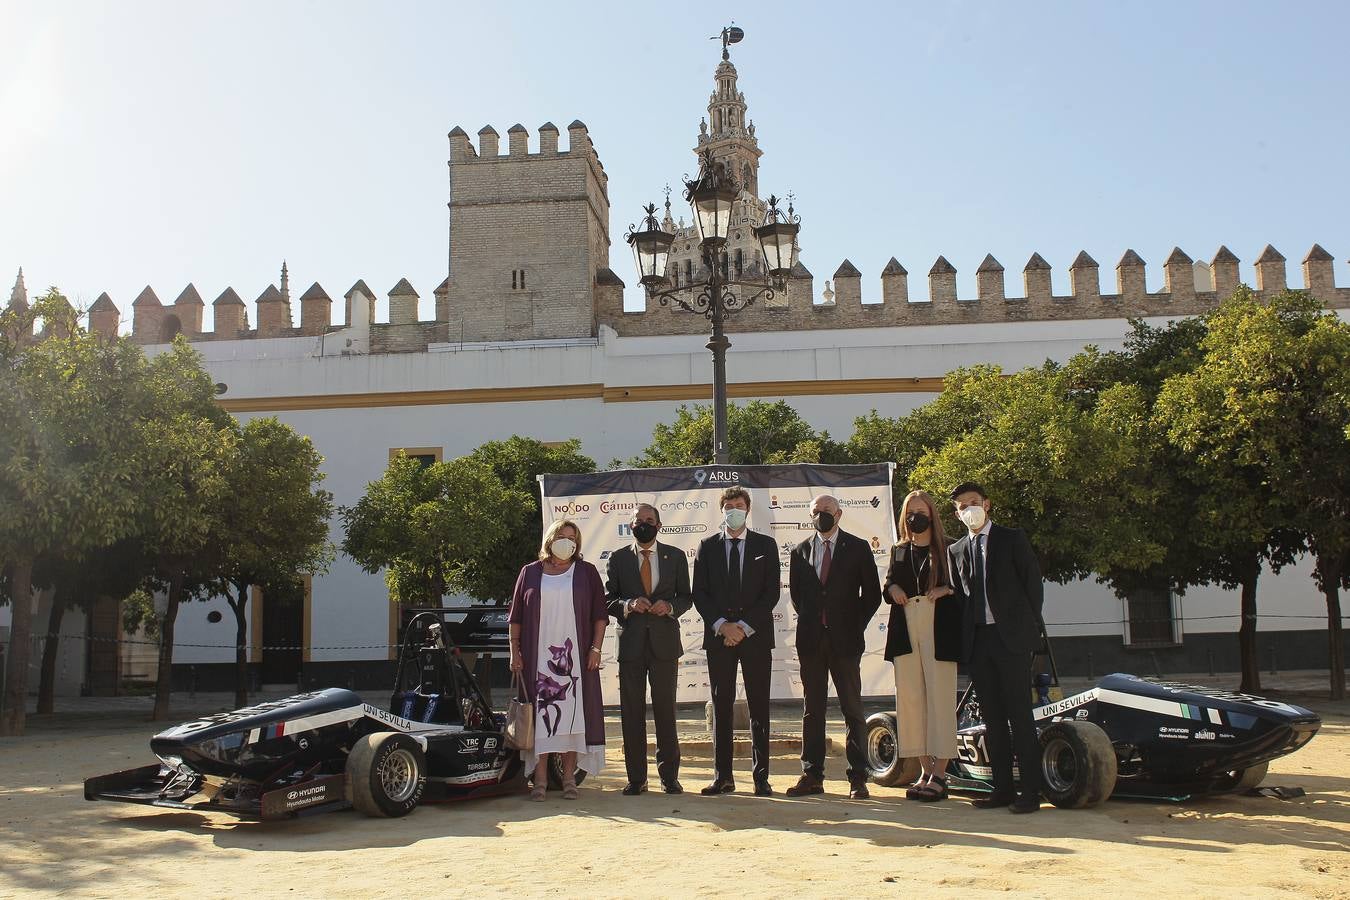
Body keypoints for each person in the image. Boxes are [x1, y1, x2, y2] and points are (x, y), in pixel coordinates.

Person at [947, 482, 1045, 814]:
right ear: (956, 513)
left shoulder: (1012, 538)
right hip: (980, 642)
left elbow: (1032, 586)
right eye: (961, 506)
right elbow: (961, 599)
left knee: (1020, 716)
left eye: (972, 502)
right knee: (992, 718)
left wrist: (1028, 629)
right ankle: (1001, 789)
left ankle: (1030, 792)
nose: (968, 509)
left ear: (987, 504)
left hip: (1012, 640)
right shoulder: (957, 550)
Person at [786, 494, 883, 799]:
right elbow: (798, 597)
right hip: (812, 641)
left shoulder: (857, 547)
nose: (821, 515)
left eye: (826, 511)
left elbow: (871, 595)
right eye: (816, 511)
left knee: (852, 709)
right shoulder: (801, 551)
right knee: (812, 711)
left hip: (846, 641)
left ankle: (858, 777)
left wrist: (853, 625)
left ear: (839, 513)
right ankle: (812, 775)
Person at [509, 519, 608, 801]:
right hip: (537, 658)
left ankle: (568, 778)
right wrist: (515, 652)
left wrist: (595, 649)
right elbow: (515, 617)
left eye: (573, 537)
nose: (568, 541)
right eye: (562, 536)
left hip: (574, 659)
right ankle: (539, 779)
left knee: (573, 717)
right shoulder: (529, 572)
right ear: (550, 539)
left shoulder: (586, 572)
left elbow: (600, 616)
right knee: (541, 718)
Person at [692, 486, 781, 797]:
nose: (733, 509)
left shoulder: (765, 546)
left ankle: (761, 778)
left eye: (739, 504)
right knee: (722, 708)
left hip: (754, 638)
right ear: (721, 510)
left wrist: (742, 627)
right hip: (719, 640)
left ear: (748, 509)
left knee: (759, 708)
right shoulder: (706, 547)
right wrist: (723, 627)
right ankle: (723, 777)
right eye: (728, 505)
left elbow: (771, 593)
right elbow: (699, 593)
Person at [605, 503, 693, 795]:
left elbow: (686, 598)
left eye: (649, 520)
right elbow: (608, 600)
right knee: (631, 713)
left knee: (666, 712)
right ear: (630, 526)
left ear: (659, 524)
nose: (644, 523)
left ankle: (669, 776)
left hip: (665, 644)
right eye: (638, 520)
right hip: (630, 645)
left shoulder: (676, 556)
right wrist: (628, 605)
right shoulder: (618, 558)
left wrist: (669, 607)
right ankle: (636, 778)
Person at [883, 490, 961, 802]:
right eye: (910, 511)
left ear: (931, 513)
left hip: (938, 625)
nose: (916, 516)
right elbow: (887, 583)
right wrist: (894, 588)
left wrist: (945, 589)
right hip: (906, 625)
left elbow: (961, 585)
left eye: (921, 510)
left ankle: (941, 773)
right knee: (911, 699)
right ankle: (924, 770)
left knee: (939, 698)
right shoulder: (899, 549)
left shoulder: (948, 547)